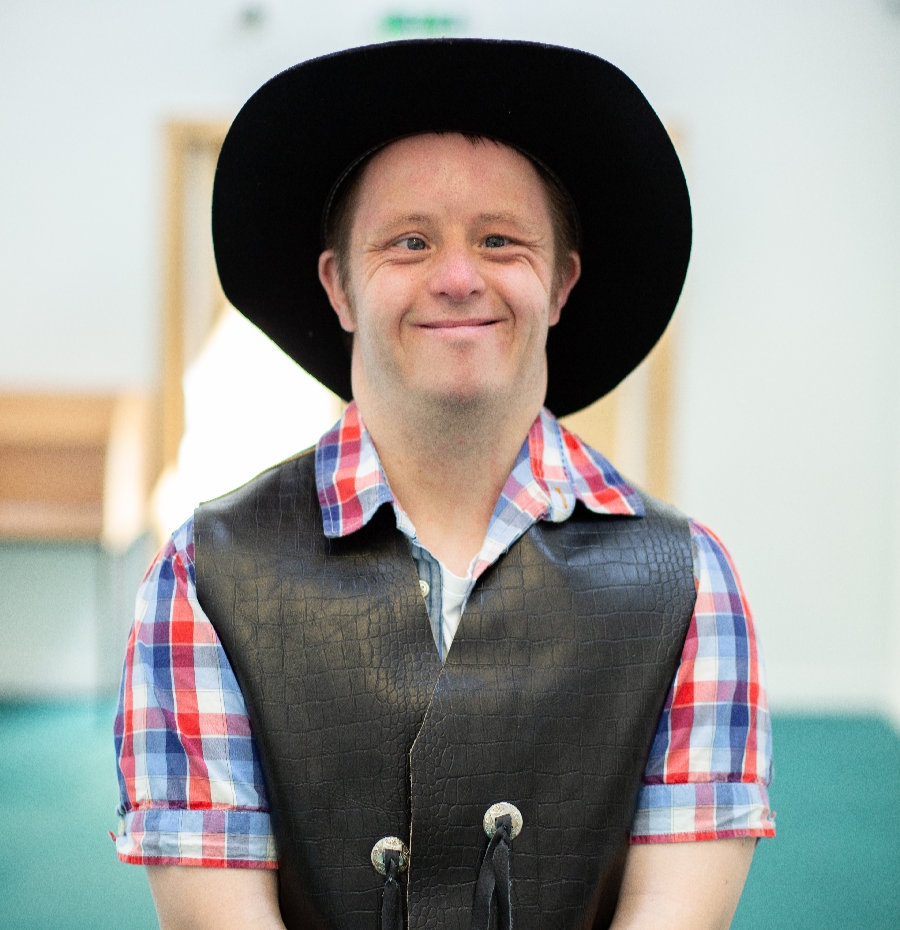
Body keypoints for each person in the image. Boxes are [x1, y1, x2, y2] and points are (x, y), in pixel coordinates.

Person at [113, 38, 774, 930]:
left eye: (501, 241)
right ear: (340, 287)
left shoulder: (690, 585)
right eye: (410, 242)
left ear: (561, 284)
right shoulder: (204, 576)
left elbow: (675, 914)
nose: (458, 278)